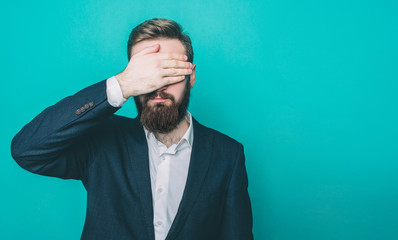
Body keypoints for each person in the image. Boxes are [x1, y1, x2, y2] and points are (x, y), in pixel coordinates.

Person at [11, 18, 253, 240]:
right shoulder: (102, 140)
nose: (159, 85)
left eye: (170, 71)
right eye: (149, 71)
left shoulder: (227, 154)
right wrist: (122, 85)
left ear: (191, 77)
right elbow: (27, 150)